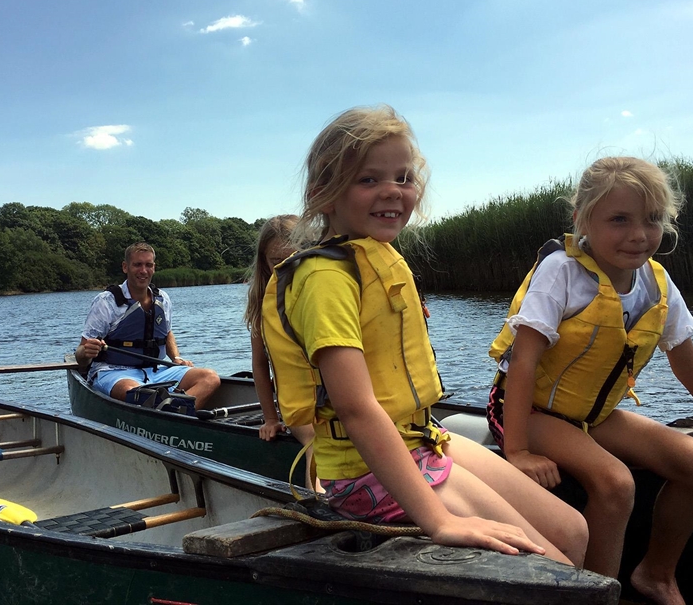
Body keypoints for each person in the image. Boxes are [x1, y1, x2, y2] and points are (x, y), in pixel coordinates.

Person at [261, 105, 588, 567]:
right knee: (552, 563)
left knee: (573, 531)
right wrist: (440, 521)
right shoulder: (325, 278)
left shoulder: (375, 257)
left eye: (404, 177)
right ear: (323, 194)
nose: (392, 190)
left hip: (420, 438)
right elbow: (356, 408)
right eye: (368, 180)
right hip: (364, 470)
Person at [486, 156, 693, 604]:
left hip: (596, 414)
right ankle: (598, 596)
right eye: (619, 220)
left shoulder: (656, 283)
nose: (639, 234)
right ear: (583, 219)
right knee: (616, 483)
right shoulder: (562, 274)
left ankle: (656, 575)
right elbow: (524, 362)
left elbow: (688, 365)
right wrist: (518, 451)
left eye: (652, 220)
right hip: (530, 411)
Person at [76, 242, 220, 410]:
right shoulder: (106, 302)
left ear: (154, 267)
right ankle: (175, 412)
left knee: (210, 378)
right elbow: (81, 355)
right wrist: (87, 352)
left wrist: (176, 358)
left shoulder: (162, 299)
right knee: (137, 394)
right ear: (125, 267)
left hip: (156, 370)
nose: (143, 271)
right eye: (137, 265)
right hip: (114, 372)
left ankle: (173, 412)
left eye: (148, 265)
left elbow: (167, 333)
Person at [244, 215, 320, 492]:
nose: (288, 266)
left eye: (295, 258)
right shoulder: (261, 303)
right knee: (318, 440)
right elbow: (260, 366)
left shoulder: (324, 290)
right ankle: (320, 505)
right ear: (264, 262)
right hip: (300, 408)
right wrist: (271, 418)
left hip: (339, 399)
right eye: (277, 261)